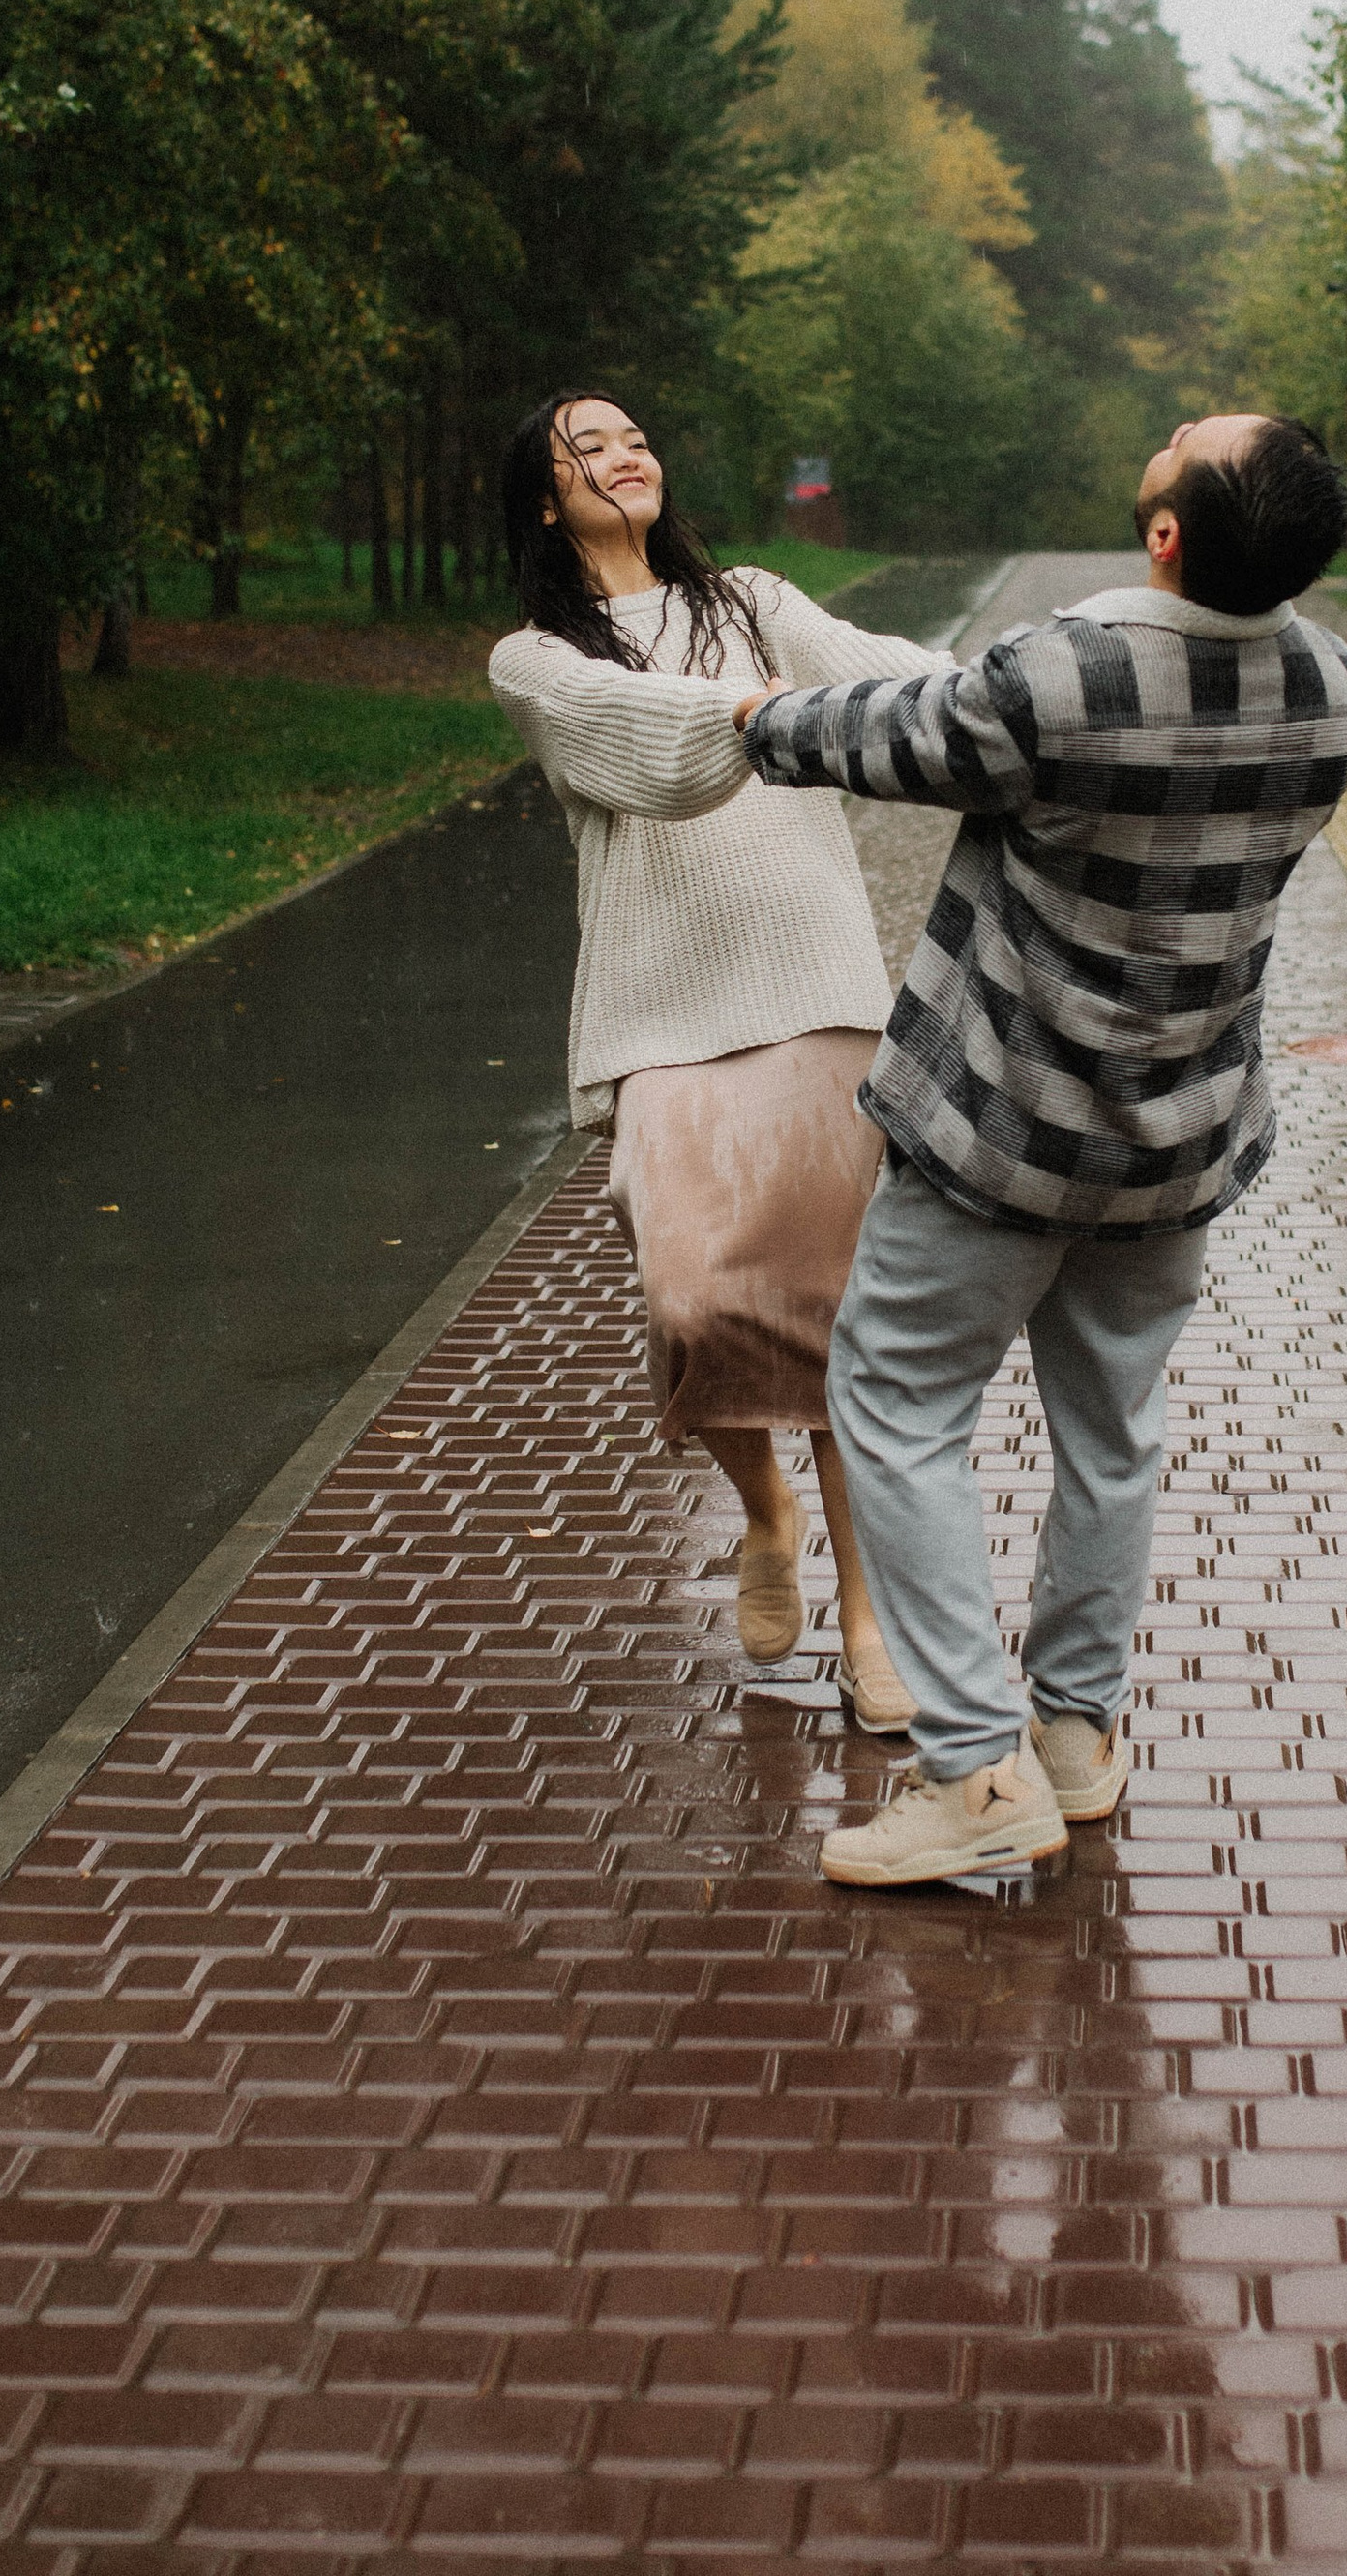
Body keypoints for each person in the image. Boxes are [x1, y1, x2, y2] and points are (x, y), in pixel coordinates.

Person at [731, 411, 1347, 1886]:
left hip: (1001, 1137)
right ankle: (1074, 1733)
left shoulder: (1067, 672)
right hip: (1178, 1140)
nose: (1178, 422)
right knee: (1114, 1430)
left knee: (895, 1403)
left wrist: (757, 714)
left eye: (1193, 437)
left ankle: (970, 1770)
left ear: (1166, 534)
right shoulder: (1330, 685)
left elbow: (889, 737)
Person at [487, 389, 952, 1732]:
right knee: (693, 1309)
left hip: (817, 987)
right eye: (588, 449)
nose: (623, 457)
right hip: (661, 1015)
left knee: (842, 1318)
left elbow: (880, 672)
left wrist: (1003, 698)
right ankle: (764, 1509)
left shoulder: (751, 598)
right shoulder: (534, 660)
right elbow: (652, 753)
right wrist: (768, 715)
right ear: (545, 502)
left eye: (635, 439)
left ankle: (870, 1624)